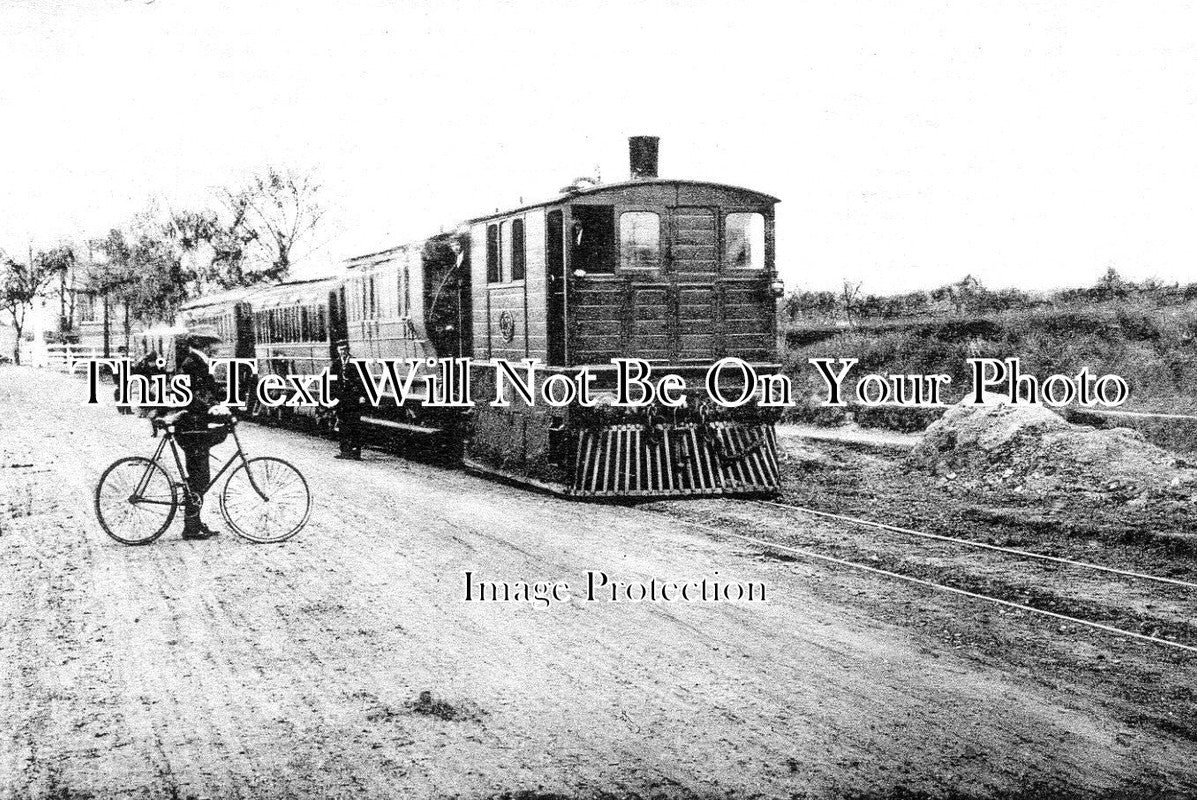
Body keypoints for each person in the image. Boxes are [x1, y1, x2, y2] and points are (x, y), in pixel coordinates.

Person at [176, 326, 232, 539]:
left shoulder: (197, 362)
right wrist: (212, 408)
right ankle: (190, 527)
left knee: (201, 475)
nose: (215, 348)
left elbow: (206, 392)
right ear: (202, 344)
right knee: (199, 476)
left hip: (195, 426)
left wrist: (218, 405)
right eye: (212, 344)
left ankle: (195, 522)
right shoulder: (192, 363)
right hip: (192, 427)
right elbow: (194, 395)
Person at [329, 338, 363, 460]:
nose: (343, 351)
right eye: (340, 349)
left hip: (352, 397)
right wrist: (332, 396)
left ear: (348, 350)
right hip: (341, 398)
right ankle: (344, 450)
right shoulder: (336, 363)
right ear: (338, 351)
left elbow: (361, 381)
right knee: (342, 424)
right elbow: (331, 381)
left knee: (354, 424)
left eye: (344, 349)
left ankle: (356, 451)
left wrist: (361, 395)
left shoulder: (354, 362)